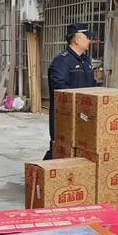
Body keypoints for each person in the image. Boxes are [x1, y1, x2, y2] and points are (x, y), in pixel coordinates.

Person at [44, 23, 96, 160]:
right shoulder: (61, 61)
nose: (89, 40)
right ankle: (42, 171)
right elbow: (60, 90)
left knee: (80, 151)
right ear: (77, 40)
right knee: (60, 149)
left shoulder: (85, 61)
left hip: (83, 116)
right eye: (87, 37)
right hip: (65, 116)